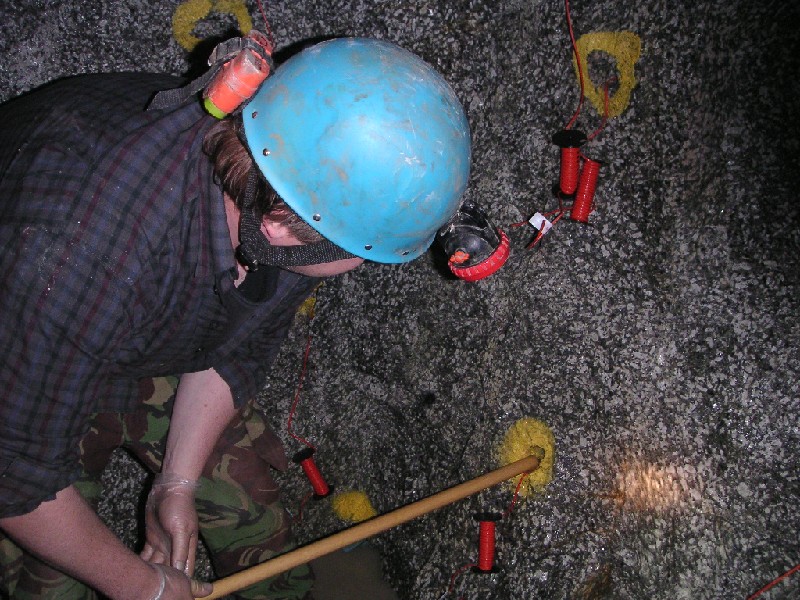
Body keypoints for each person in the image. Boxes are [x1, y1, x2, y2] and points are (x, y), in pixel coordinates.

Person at [0, 37, 471, 599]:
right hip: (21, 344)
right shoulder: (82, 253)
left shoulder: (295, 172)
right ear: (279, 228)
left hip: (126, 317)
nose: (360, 264)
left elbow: (239, 343)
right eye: (361, 253)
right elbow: (12, 476)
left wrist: (176, 482)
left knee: (256, 521)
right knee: (52, 585)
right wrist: (142, 586)